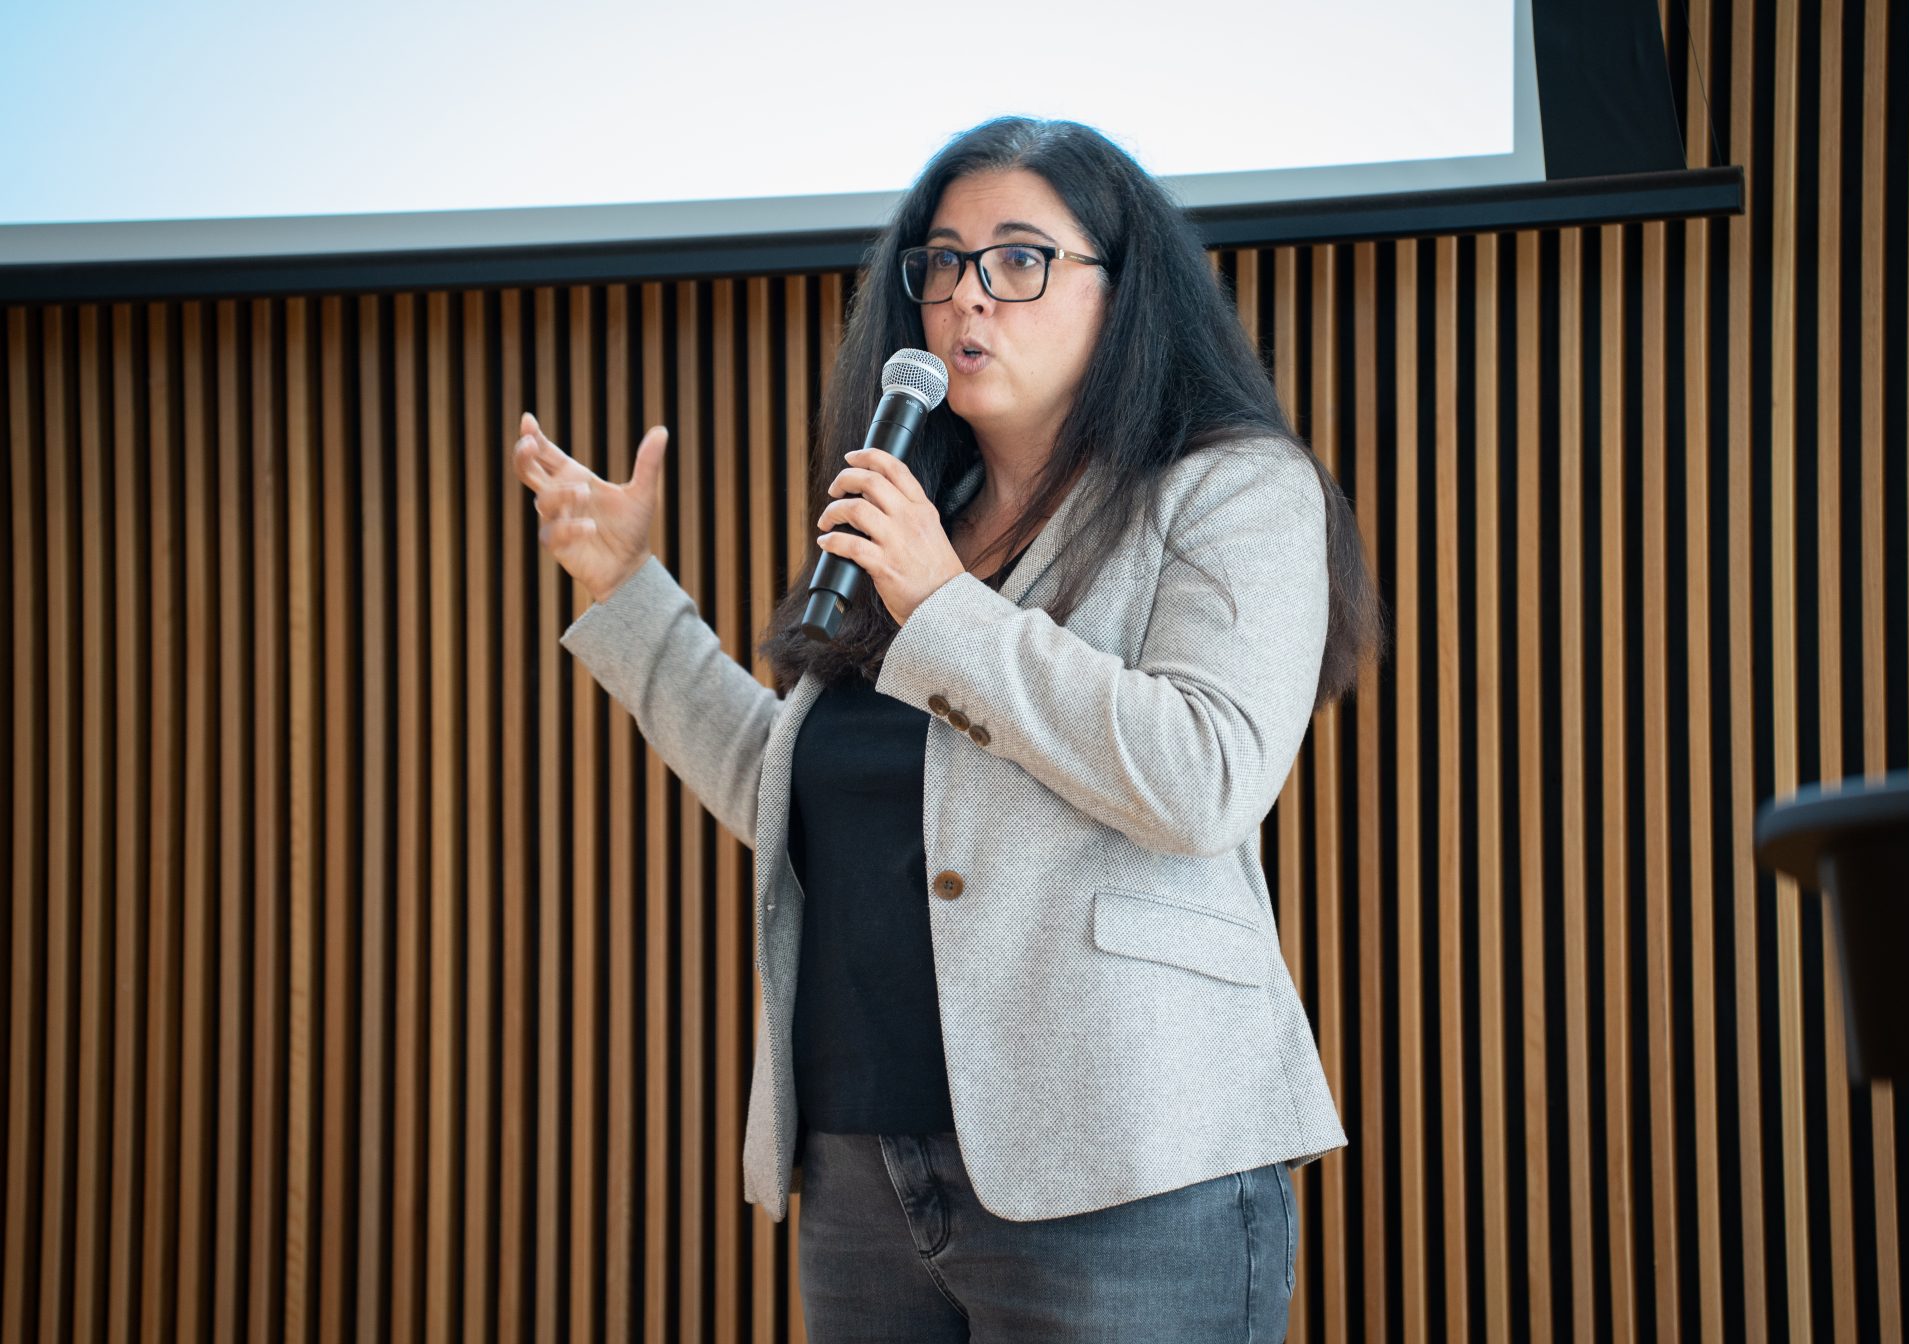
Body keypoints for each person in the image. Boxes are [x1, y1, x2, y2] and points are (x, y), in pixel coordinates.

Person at [513, 116, 1382, 1343]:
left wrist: (944, 605)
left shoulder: (1232, 489)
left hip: (1124, 1166)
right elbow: (787, 783)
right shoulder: (927, 516)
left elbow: (1204, 776)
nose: (971, 296)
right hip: (870, 1167)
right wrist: (626, 591)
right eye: (944, 262)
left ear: (1124, 295)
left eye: (1021, 259)